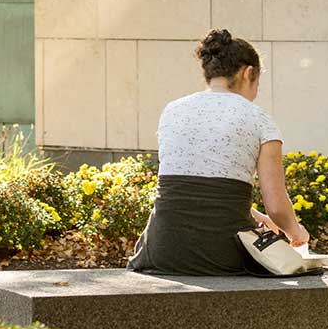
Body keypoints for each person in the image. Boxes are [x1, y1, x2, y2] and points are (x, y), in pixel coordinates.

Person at [129, 29, 309, 276]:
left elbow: (192, 187)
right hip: (223, 254)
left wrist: (252, 213)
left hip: (160, 250)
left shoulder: (173, 111)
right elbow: (276, 207)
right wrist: (296, 233)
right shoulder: (259, 120)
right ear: (248, 74)